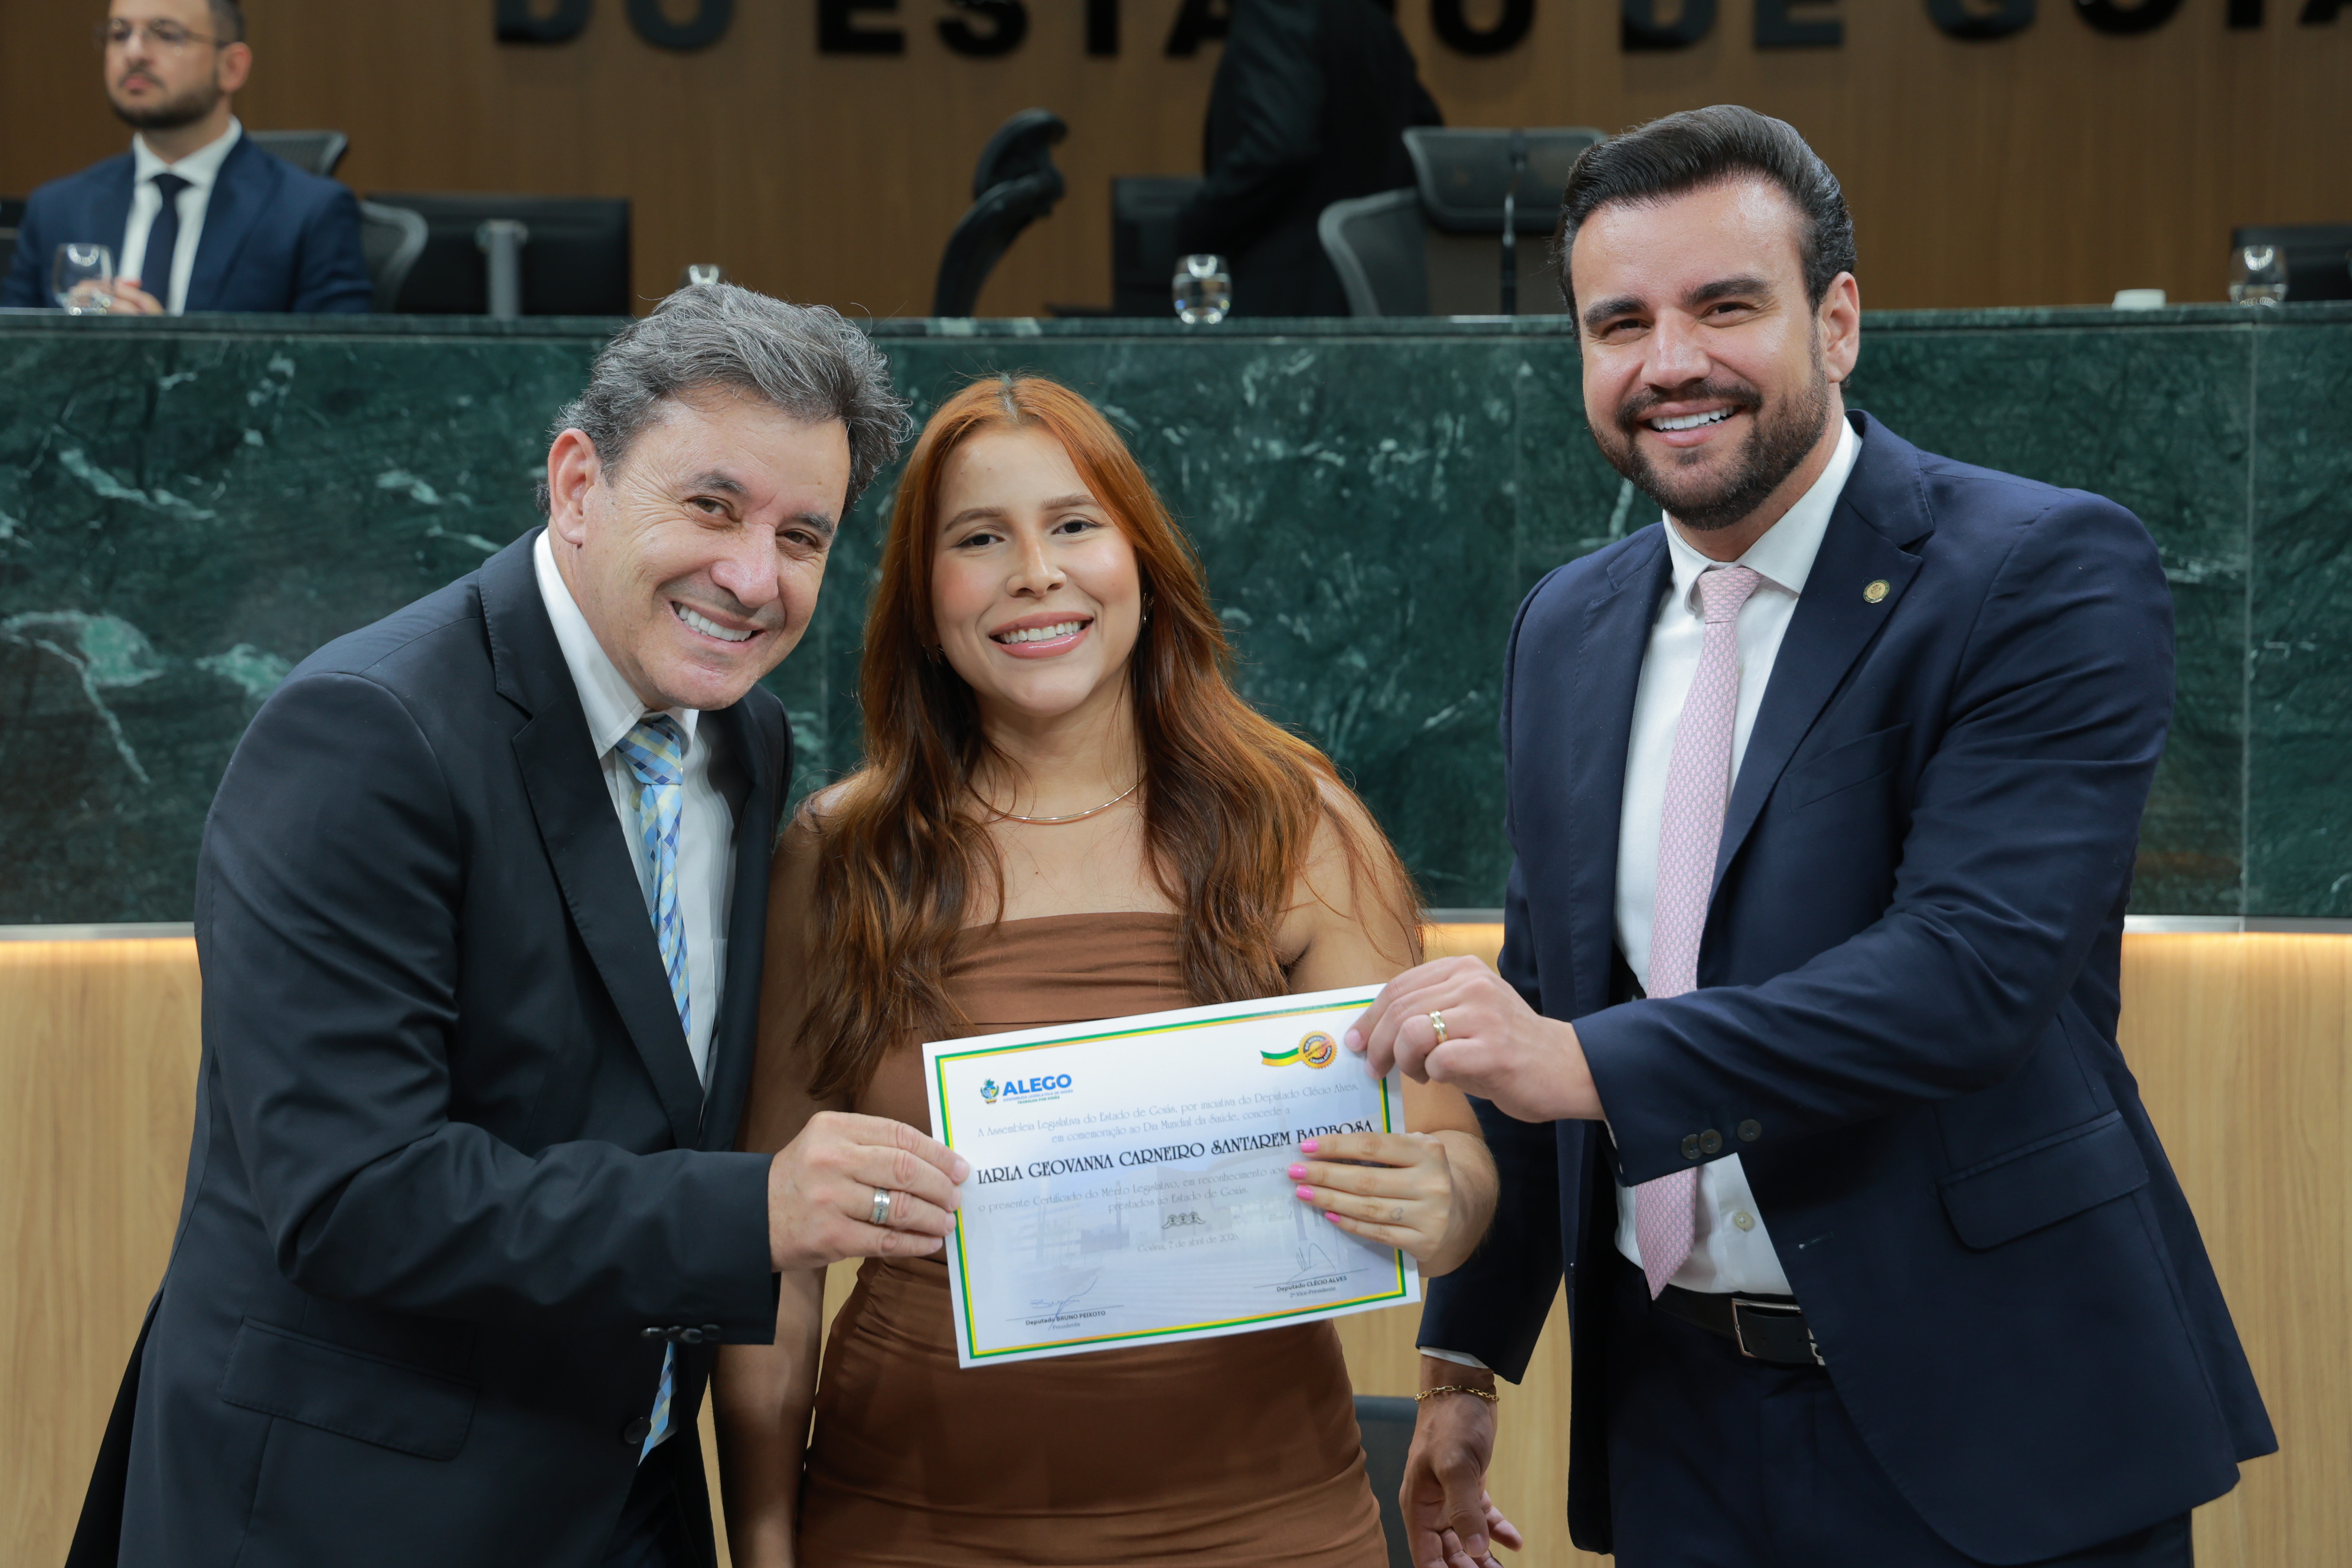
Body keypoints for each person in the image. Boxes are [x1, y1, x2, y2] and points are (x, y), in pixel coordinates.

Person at [1350, 106, 2275, 1568]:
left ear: (1837, 321)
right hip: (1675, 1422)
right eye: (1620, 323)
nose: (1670, 362)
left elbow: (1966, 976)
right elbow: (1539, 1002)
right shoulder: (1566, 625)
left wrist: (1584, 1062)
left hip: (1997, 1422)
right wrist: (1465, 1368)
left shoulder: (2038, 570)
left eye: (1725, 306)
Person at [64, 286, 972, 1568]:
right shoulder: (363, 732)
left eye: (803, 535)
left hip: (626, 1494)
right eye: (711, 506)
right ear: (578, 483)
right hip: (354, 1513)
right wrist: (751, 1211)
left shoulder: (746, 736)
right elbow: (352, 1194)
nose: (753, 577)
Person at [712, 375, 1503, 1568]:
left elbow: (1453, 1158)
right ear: (923, 598)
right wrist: (762, 1544)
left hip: (1268, 1524)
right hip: (905, 1525)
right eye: (980, 539)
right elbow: (771, 1260)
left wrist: (1444, 1204)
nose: (1036, 573)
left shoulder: (1299, 826)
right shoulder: (837, 854)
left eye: (1074, 523)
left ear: (1142, 560)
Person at [2, 0, 371, 314]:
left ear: (232, 67)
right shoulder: (56, 209)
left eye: (166, 35)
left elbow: (337, 371)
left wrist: (168, 352)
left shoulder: (310, 213)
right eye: (119, 34)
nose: (134, 53)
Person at [1171, 0, 1442, 316]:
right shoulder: (1369, 15)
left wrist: (1196, 227)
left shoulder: (1276, 7)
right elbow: (1425, 131)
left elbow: (1279, 145)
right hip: (1378, 287)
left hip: (1288, 290)